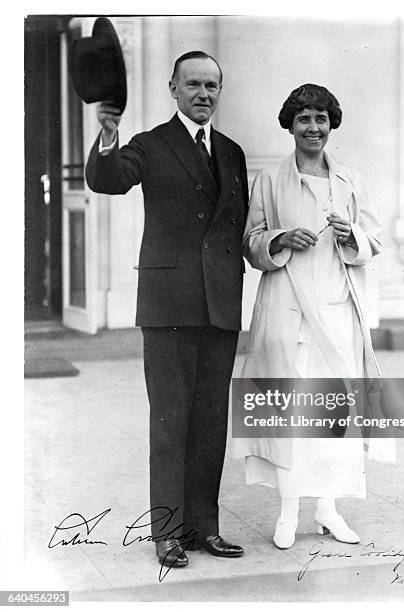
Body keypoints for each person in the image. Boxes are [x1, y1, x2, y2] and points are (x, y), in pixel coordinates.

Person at [86, 51, 248, 568]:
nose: (204, 94)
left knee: (209, 422)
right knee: (171, 420)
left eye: (212, 86)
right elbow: (108, 179)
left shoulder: (232, 151)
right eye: (193, 84)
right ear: (173, 89)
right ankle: (168, 533)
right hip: (168, 306)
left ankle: (205, 528)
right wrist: (108, 138)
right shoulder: (148, 146)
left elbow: (235, 225)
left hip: (220, 305)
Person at [239, 83, 383, 549]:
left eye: (321, 118)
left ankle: (328, 510)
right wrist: (279, 239)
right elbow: (250, 241)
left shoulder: (351, 182)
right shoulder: (269, 181)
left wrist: (352, 234)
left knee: (333, 422)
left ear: (331, 124)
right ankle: (286, 513)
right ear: (290, 125)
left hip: (338, 318)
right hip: (290, 319)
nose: (313, 128)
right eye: (304, 119)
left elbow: (373, 243)